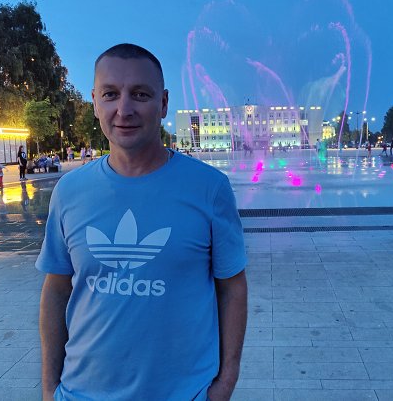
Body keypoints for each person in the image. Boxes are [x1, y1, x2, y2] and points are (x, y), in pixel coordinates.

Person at [36, 43, 247, 401]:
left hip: (184, 393)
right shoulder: (70, 191)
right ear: (95, 103)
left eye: (140, 94)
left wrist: (224, 384)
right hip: (81, 392)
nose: (124, 109)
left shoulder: (209, 188)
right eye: (110, 94)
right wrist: (48, 389)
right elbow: (56, 289)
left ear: (163, 103)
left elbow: (233, 288)